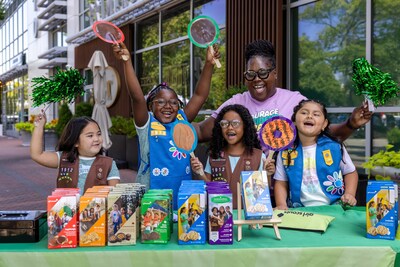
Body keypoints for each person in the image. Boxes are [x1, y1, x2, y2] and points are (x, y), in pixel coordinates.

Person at [195, 39, 372, 148]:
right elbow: (201, 132)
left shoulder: (295, 101)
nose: (257, 79)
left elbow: (324, 133)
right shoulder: (236, 103)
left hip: (286, 192)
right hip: (246, 193)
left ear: (275, 73)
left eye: (263, 73)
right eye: (250, 74)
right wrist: (171, 126)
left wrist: (351, 124)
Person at [113, 42, 220, 209]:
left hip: (182, 192)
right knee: (154, 232)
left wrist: (208, 65)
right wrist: (126, 61)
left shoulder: (182, 119)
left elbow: (200, 95)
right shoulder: (146, 123)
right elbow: (137, 97)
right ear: (151, 106)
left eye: (173, 102)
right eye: (160, 102)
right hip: (151, 193)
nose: (168, 106)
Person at [273, 100, 359, 209]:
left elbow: (350, 172)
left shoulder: (335, 147)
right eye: (304, 113)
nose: (309, 116)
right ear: (294, 121)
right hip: (299, 210)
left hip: (335, 208)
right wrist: (281, 204)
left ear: (324, 124)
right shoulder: (285, 151)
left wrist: (350, 194)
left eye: (316, 114)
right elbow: (281, 182)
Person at [191, 104, 275, 208]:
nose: (230, 127)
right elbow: (208, 188)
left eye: (235, 123)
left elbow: (262, 192)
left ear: (245, 126)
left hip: (248, 219)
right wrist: (200, 173)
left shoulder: (258, 156)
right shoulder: (215, 155)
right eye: (224, 124)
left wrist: (268, 174)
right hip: (220, 217)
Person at [31, 115, 120, 194]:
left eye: (99, 134)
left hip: (96, 212)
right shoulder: (63, 159)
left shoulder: (109, 164)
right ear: (76, 142)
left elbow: (115, 196)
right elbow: (37, 155)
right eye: (90, 136)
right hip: (67, 211)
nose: (96, 139)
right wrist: (39, 127)